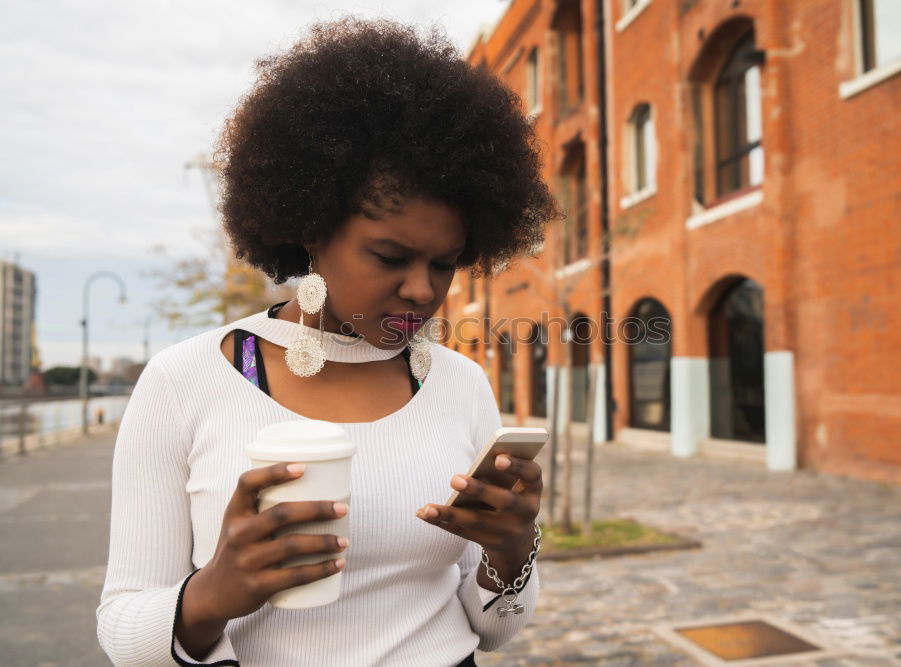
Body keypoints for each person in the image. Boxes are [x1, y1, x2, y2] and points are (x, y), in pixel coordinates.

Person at [96, 17, 558, 667]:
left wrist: (510, 555)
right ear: (310, 226)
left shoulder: (460, 383)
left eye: (445, 262)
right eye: (390, 256)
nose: (423, 291)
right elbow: (122, 629)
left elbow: (494, 630)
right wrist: (211, 594)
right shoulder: (184, 380)